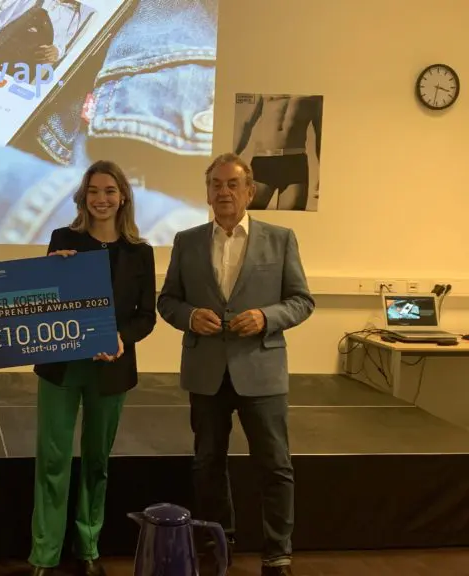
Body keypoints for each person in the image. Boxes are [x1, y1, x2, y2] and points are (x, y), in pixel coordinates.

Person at [156, 153, 315, 576]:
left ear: (250, 191)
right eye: (216, 184)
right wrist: (190, 316)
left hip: (261, 371)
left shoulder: (281, 239)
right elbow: (167, 301)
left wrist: (266, 317)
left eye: (232, 184)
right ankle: (217, 544)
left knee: (275, 465)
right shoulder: (186, 241)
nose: (223, 192)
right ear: (207, 193)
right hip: (206, 373)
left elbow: (301, 301)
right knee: (207, 463)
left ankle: (277, 553)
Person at [27, 160, 157, 576]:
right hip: (61, 367)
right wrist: (51, 270)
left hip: (111, 369)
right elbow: (44, 300)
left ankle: (88, 548)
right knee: (52, 459)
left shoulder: (140, 252)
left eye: (110, 191)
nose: (102, 199)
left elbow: (146, 316)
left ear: (123, 197)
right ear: (83, 198)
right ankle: (45, 554)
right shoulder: (62, 239)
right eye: (94, 191)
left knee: (97, 461)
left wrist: (120, 338)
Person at [233, 94, 323, 210]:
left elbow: (320, 133)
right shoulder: (266, 89)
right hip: (264, 160)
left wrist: (322, 172)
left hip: (295, 162)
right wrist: (231, 159)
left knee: (291, 217)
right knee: (246, 214)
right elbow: (246, 124)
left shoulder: (315, 95)